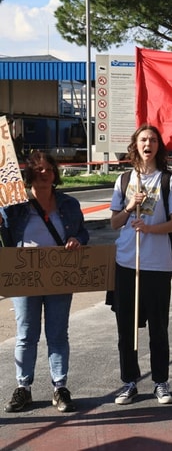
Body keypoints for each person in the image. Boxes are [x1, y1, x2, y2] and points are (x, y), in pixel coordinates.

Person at [1, 151, 89, 413]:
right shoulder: (15, 205)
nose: (43, 173)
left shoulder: (69, 204)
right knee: (26, 334)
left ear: (55, 173)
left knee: (58, 334)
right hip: (25, 276)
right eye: (37, 169)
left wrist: (77, 240)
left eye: (48, 169)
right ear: (27, 173)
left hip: (59, 274)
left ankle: (60, 387)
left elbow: (82, 231)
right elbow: (5, 232)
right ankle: (23, 388)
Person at [109, 124, 172, 405]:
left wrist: (150, 229)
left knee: (158, 327)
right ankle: (129, 381)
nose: (148, 144)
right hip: (127, 264)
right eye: (143, 139)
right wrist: (130, 206)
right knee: (126, 328)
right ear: (135, 145)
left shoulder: (168, 181)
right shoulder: (123, 181)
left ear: (159, 147)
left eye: (153, 140)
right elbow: (114, 222)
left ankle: (160, 381)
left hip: (157, 264)